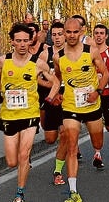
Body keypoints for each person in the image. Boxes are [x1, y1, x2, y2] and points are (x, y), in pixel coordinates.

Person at [0, 24, 61, 202]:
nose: (23, 44)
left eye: (26, 40)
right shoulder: (3, 60)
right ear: (12, 42)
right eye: (19, 41)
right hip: (9, 115)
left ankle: (19, 193)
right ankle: (20, 173)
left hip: (30, 114)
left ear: (30, 41)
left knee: (24, 155)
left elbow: (55, 82)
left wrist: (49, 99)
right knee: (11, 161)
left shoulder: (37, 63)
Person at [53, 17, 109, 202]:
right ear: (63, 33)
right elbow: (59, 78)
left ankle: (98, 147)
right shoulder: (58, 56)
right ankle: (73, 192)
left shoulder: (91, 51)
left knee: (97, 142)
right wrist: (58, 92)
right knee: (71, 145)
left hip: (92, 104)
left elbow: (105, 73)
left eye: (74, 32)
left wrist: (98, 91)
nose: (71, 35)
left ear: (81, 32)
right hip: (70, 106)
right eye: (67, 32)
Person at [38, 21, 69, 185]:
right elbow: (36, 77)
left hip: (67, 100)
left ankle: (58, 171)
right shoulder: (45, 55)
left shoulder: (71, 53)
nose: (57, 38)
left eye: (60, 34)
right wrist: (50, 85)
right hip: (50, 99)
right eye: (54, 35)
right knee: (50, 138)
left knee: (65, 134)